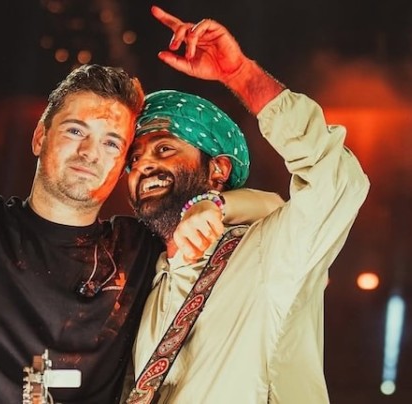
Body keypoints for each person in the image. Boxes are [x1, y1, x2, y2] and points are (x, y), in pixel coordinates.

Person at [0, 1, 282, 403]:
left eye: (112, 142)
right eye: (75, 131)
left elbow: (276, 208)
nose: (90, 153)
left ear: (122, 164)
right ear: (40, 137)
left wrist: (213, 206)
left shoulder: (139, 248)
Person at [125, 6, 370, 403]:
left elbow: (336, 180)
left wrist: (240, 74)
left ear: (218, 169)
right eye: (134, 159)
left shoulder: (266, 254)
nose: (143, 166)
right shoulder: (145, 279)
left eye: (164, 148)